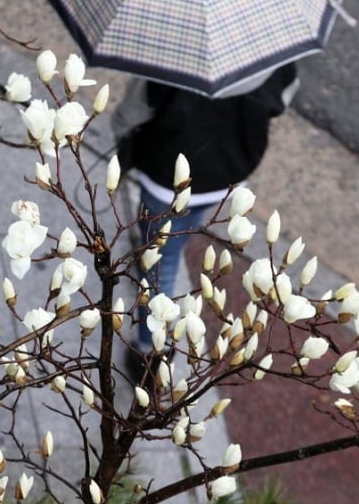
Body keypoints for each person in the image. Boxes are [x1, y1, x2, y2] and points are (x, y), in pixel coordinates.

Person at [111, 64, 299, 384]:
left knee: (160, 260)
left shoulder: (173, 52)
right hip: (226, 173)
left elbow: (135, 109)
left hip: (165, 173)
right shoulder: (274, 58)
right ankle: (168, 241)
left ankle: (150, 351)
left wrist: (120, 133)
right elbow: (281, 99)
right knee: (177, 234)